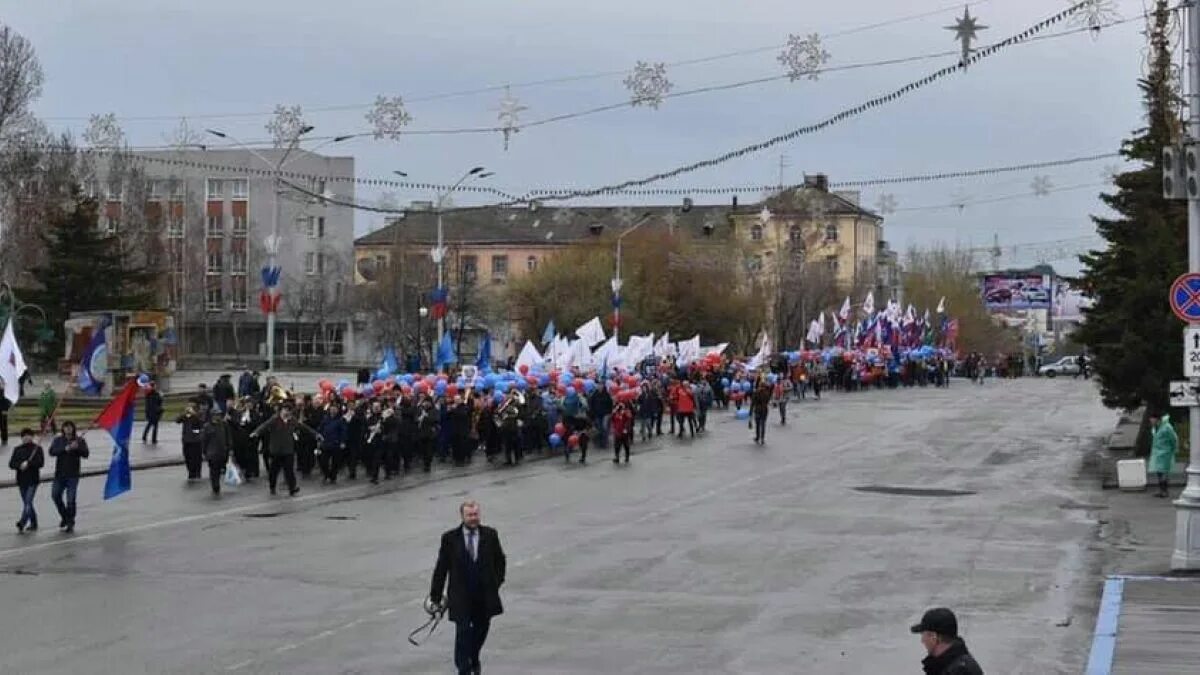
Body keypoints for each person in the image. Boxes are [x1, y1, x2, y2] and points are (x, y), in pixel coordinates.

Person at [429, 500, 507, 675]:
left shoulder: (490, 535)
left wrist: (496, 582)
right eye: (469, 515)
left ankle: (473, 657)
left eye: (476, 514)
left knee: (481, 629)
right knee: (463, 632)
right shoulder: (449, 539)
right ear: (462, 516)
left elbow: (500, 561)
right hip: (460, 596)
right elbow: (441, 568)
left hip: (484, 595)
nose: (473, 518)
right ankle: (464, 669)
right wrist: (435, 597)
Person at [251, 405, 321, 496]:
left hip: (288, 450)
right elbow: (264, 425)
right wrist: (256, 432)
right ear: (281, 411)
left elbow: (304, 427)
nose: (287, 413)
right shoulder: (275, 419)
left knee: (289, 471)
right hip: (276, 450)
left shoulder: (292, 421)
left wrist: (315, 434)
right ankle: (272, 486)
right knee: (274, 471)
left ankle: (292, 488)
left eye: (288, 411)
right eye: (285, 410)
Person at [910, 607, 983, 674]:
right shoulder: (946, 665)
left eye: (923, 635)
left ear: (934, 637)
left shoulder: (960, 670)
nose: (922, 641)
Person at [49, 421, 89, 533]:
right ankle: (65, 516)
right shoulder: (58, 440)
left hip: (73, 475)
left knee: (71, 500)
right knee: (55, 495)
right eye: (65, 427)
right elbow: (52, 452)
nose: (68, 429)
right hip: (59, 474)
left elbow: (86, 454)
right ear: (63, 429)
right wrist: (64, 449)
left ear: (73, 428)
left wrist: (77, 448)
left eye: (70, 427)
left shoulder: (79, 440)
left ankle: (70, 521)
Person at [9, 428, 44, 532]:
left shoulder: (37, 449)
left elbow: (40, 463)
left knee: (28, 501)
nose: (26, 438)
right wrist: (19, 465)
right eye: (24, 436)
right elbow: (11, 464)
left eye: (28, 435)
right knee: (27, 503)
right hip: (21, 480)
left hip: (33, 480)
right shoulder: (17, 449)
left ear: (32, 437)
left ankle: (22, 522)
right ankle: (34, 522)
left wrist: (29, 464)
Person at [202, 407, 233, 496]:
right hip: (212, 453)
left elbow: (228, 437)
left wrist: (230, 448)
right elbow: (204, 441)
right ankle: (215, 486)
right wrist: (204, 452)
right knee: (214, 471)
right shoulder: (207, 426)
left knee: (219, 470)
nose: (218, 417)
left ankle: (217, 484)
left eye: (219, 415)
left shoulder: (224, 424)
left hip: (222, 452)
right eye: (216, 415)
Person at [1149, 411, 1179, 498]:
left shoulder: (1167, 427)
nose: (1151, 422)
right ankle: (1161, 490)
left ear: (1156, 419)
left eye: (1152, 420)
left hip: (1166, 452)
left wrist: (1173, 449)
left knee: (1164, 472)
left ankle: (1165, 491)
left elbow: (1173, 438)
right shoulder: (1155, 428)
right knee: (1159, 471)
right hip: (1157, 453)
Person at [176, 403, 206, 481]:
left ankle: (197, 473)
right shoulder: (185, 416)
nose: (189, 409)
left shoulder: (199, 415)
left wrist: (194, 415)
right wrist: (184, 414)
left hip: (196, 440)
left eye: (191, 408)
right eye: (188, 408)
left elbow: (201, 425)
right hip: (186, 440)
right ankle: (191, 472)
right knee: (187, 457)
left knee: (196, 458)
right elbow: (177, 420)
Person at [750, 380, 772, 445]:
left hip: (757, 410)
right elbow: (768, 401)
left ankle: (757, 437)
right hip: (765, 410)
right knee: (763, 424)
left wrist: (750, 412)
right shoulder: (767, 393)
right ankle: (762, 438)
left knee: (757, 424)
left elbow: (752, 403)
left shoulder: (756, 392)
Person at [0, 381, 9, 445]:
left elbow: (7, 402)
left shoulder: (5, 392)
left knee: (3, 426)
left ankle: (4, 439)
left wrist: (5, 410)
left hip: (3, 411)